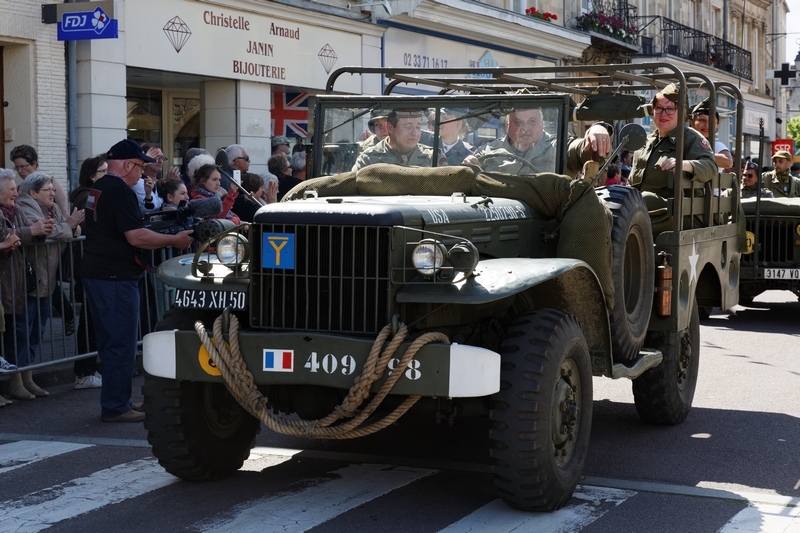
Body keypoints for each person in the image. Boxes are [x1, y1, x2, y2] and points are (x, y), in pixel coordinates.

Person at [82, 139, 194, 422]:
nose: (142, 174)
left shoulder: (100, 187)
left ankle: (118, 401)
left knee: (112, 342)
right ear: (129, 164)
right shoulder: (119, 190)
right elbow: (136, 236)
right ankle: (117, 405)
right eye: (141, 166)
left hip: (100, 272)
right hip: (115, 276)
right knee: (121, 343)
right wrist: (175, 239)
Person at [12, 173, 82, 400]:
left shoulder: (52, 209)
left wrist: (69, 227)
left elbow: (74, 230)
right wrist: (68, 227)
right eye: (48, 190)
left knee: (37, 332)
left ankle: (28, 378)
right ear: (33, 193)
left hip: (47, 283)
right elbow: (45, 231)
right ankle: (17, 380)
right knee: (22, 332)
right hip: (29, 282)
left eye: (53, 189)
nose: (53, 193)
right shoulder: (25, 204)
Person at [628, 83, 717, 232]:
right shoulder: (645, 143)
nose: (663, 114)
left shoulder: (690, 138)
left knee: (640, 201)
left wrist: (684, 164)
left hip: (678, 214)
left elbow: (710, 166)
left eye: (670, 109)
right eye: (659, 108)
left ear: (681, 112)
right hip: (644, 211)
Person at [465, 108, 612, 177]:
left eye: (532, 122)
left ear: (542, 123)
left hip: (548, 227)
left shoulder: (559, 146)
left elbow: (582, 151)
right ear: (508, 125)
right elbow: (468, 172)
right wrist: (469, 165)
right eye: (518, 122)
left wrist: (597, 129)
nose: (525, 129)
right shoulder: (489, 150)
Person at [70, 156, 107, 389]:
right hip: (90, 266)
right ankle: (84, 371)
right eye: (103, 171)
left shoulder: (91, 194)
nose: (108, 174)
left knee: (94, 321)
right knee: (89, 322)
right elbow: (89, 226)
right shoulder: (87, 196)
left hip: (93, 265)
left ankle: (88, 368)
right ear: (92, 175)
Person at [352, 109, 433, 171]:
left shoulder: (432, 157)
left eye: (418, 127)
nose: (415, 133)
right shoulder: (368, 159)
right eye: (408, 127)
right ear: (390, 128)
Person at [10, 144, 69, 215]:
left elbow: (64, 213)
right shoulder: (18, 189)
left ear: (34, 164)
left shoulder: (52, 183)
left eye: (22, 167)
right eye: (17, 167)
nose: (19, 171)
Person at [689, 98, 733, 172]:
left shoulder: (716, 146)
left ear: (717, 125)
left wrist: (695, 154)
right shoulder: (684, 142)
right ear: (692, 122)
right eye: (702, 120)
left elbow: (727, 161)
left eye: (711, 121)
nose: (706, 125)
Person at [133, 143, 165, 210]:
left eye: (161, 158)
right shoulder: (138, 182)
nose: (160, 161)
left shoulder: (160, 181)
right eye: (156, 157)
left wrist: (171, 185)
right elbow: (155, 208)